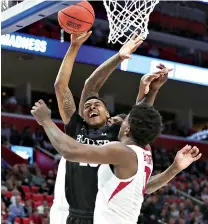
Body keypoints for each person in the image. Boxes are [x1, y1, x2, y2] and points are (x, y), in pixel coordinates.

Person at [51, 30, 172, 224]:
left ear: (110, 116)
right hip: (69, 213)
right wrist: (116, 56)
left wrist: (150, 91)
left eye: (97, 104)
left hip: (102, 215)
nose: (91, 106)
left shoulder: (118, 137)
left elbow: (141, 118)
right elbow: (69, 86)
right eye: (87, 106)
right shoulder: (76, 128)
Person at [31, 100, 202, 224]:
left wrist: (46, 121)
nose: (118, 120)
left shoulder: (122, 152)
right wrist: (175, 168)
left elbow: (71, 151)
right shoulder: (145, 154)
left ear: (127, 129)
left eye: (125, 119)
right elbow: (146, 187)